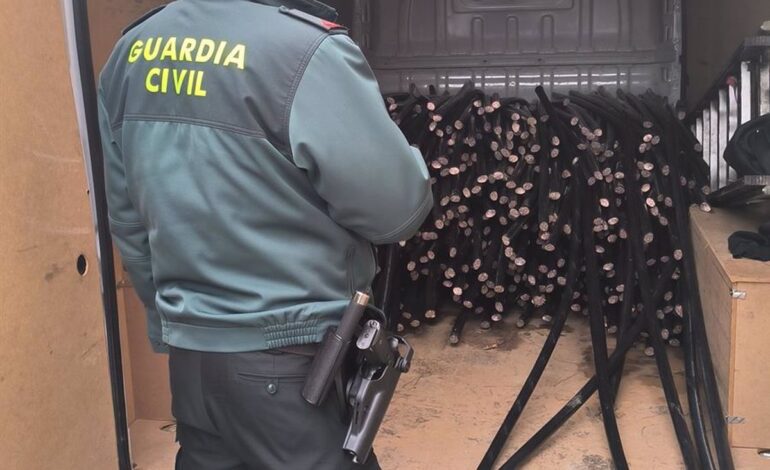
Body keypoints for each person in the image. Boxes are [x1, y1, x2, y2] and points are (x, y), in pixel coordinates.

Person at [97, 1, 432, 468]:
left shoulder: (130, 53)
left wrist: (174, 322)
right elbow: (396, 212)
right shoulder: (305, 52)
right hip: (291, 366)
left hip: (193, 360)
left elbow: (128, 219)